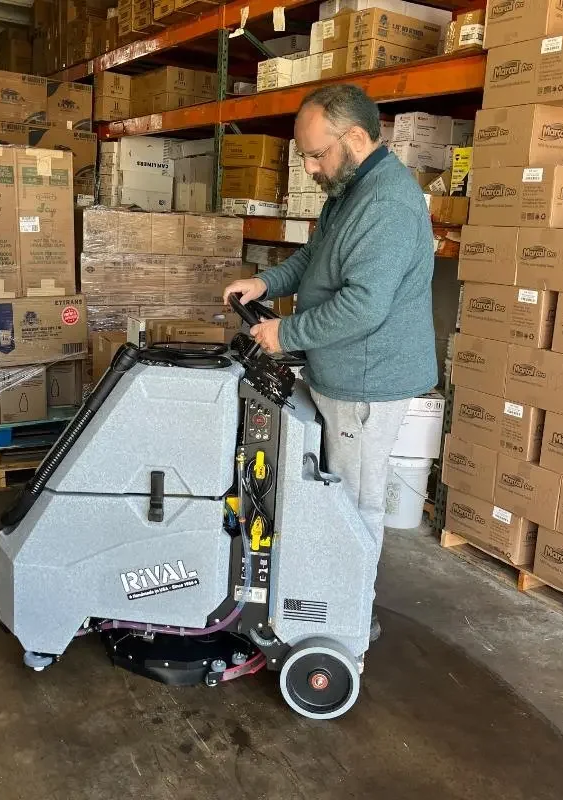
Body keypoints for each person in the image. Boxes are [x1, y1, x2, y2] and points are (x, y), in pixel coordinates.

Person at [223, 84, 437, 641]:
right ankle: (328, 596)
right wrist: (264, 282)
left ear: (357, 138)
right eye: (306, 158)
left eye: (317, 155)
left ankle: (346, 623)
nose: (312, 168)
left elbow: (363, 305)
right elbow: (316, 258)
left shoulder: (387, 202)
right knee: (332, 492)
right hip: (339, 372)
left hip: (366, 381)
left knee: (353, 504)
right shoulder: (350, 189)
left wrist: (286, 331)